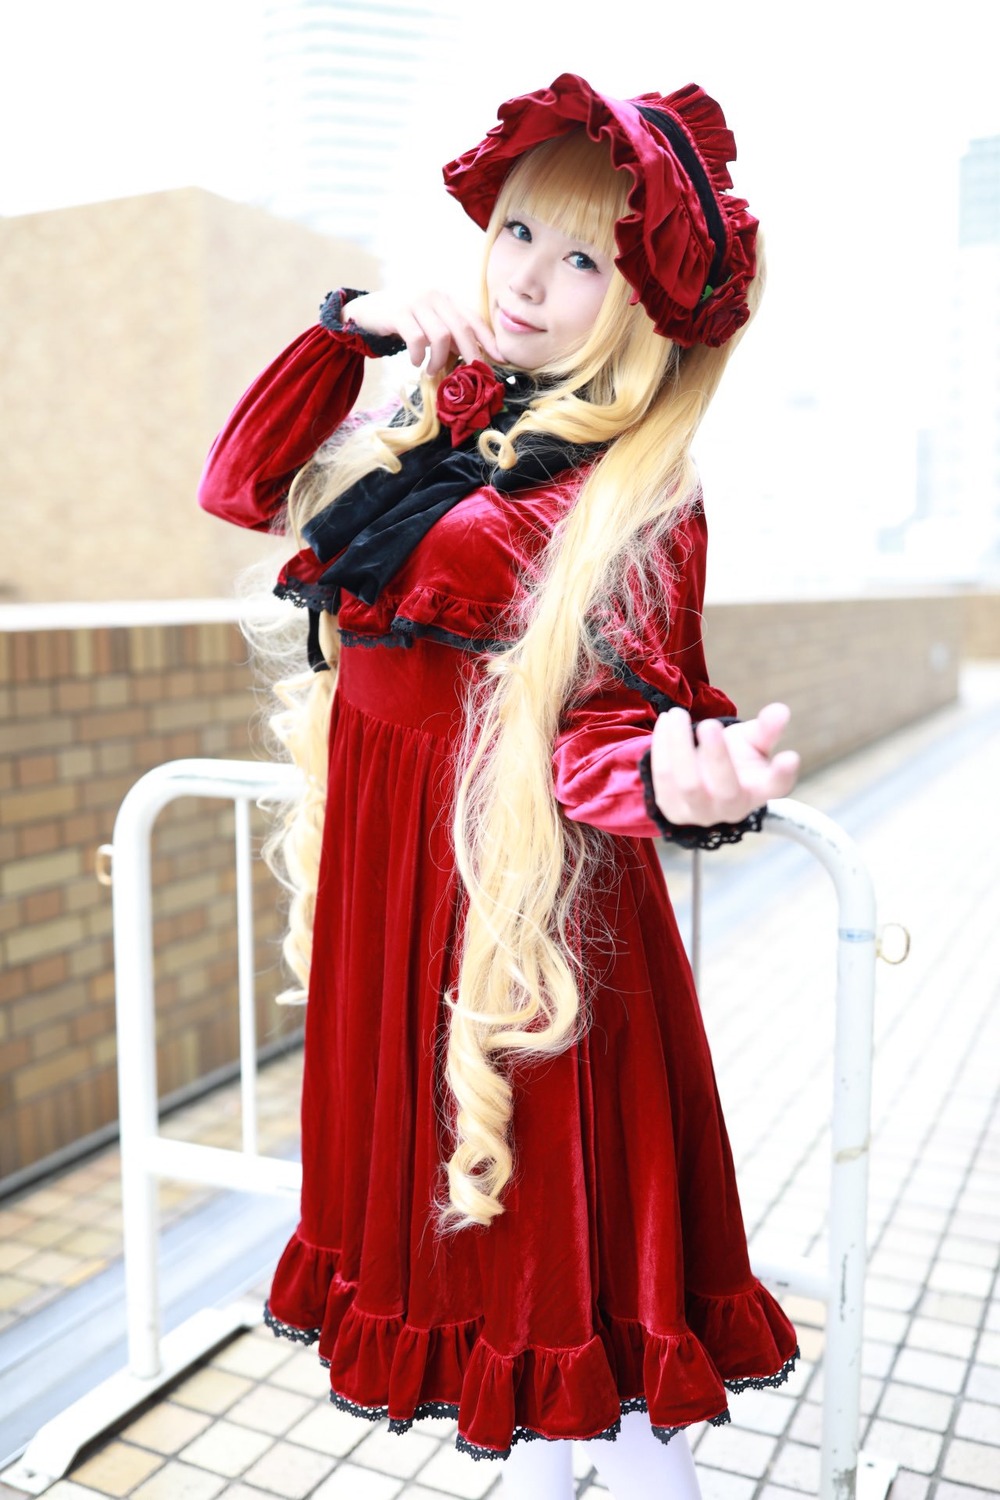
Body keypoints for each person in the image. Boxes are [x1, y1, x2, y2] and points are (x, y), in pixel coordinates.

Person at [199, 73, 801, 1500]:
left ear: (645, 297)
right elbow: (241, 483)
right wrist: (350, 329)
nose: (531, 275)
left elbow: (612, 719)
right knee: (474, 1258)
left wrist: (677, 782)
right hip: (391, 895)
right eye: (521, 231)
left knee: (572, 1269)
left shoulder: (637, 484)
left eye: (586, 255)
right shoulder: (443, 415)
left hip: (518, 920)